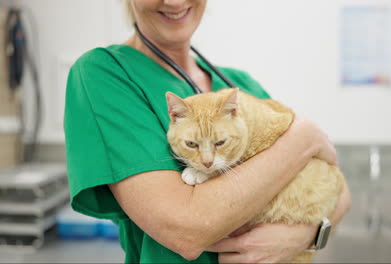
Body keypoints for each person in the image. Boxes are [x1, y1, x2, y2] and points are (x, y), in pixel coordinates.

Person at [64, 0, 351, 263]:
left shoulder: (240, 84)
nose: (174, 2)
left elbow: (341, 193)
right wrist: (305, 138)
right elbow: (185, 230)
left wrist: (304, 236)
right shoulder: (105, 74)